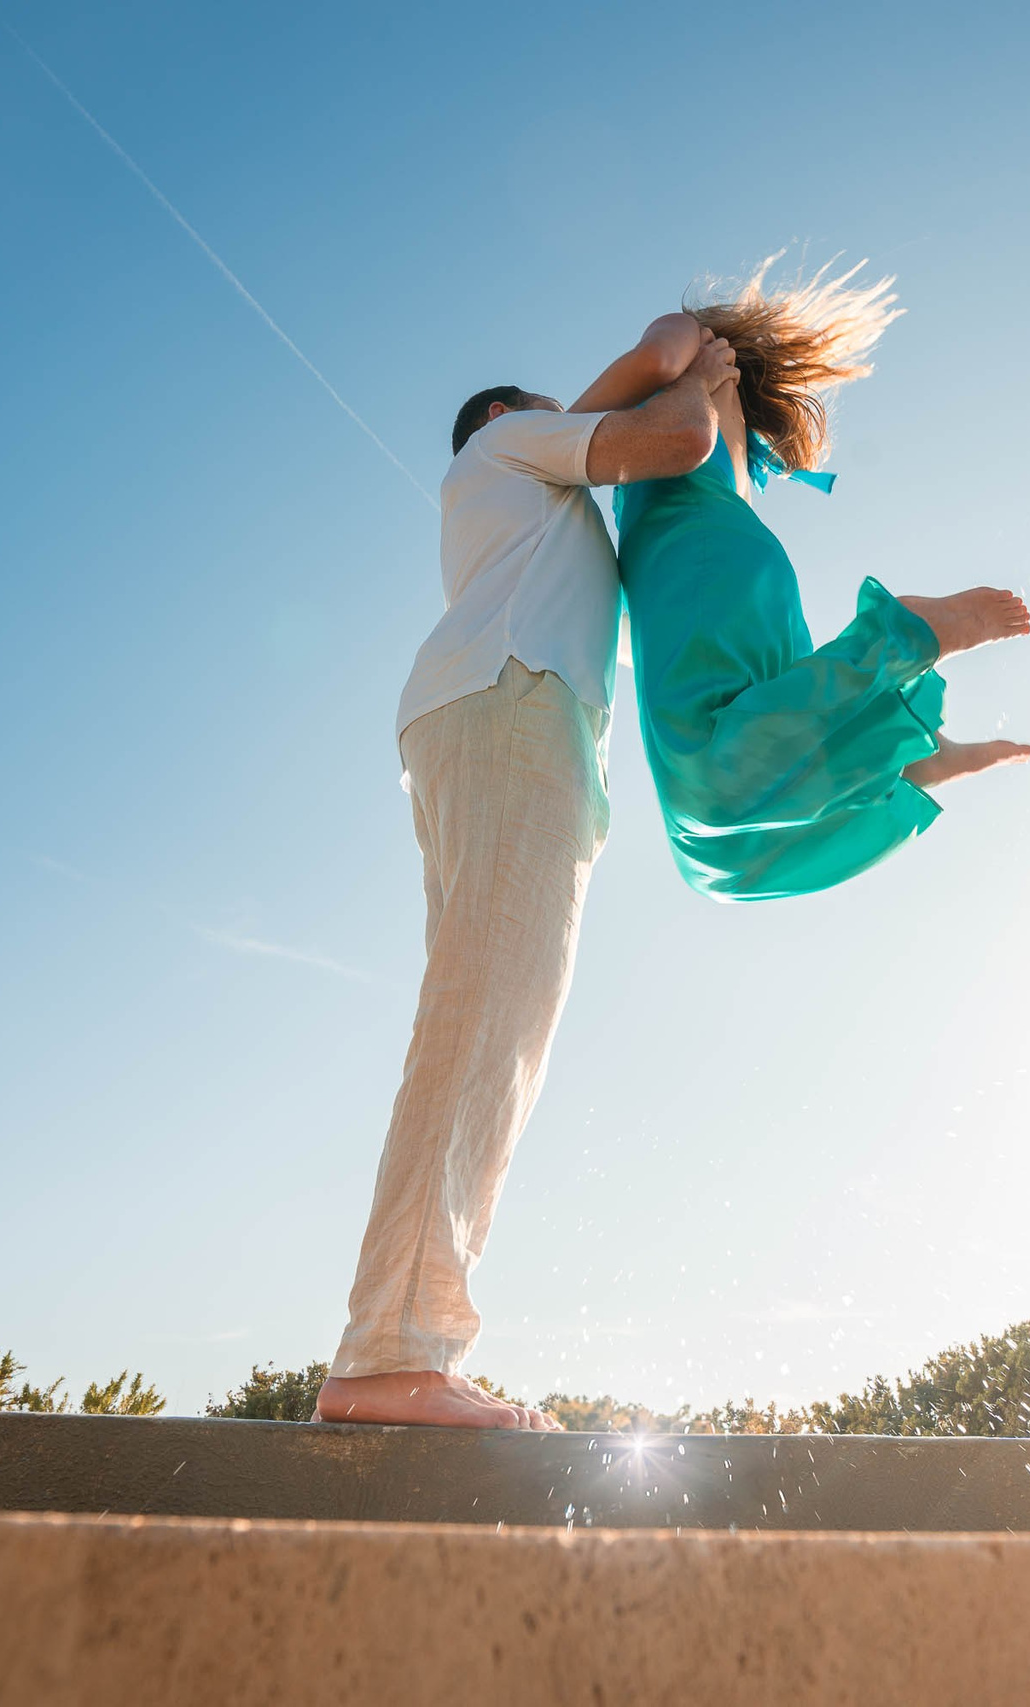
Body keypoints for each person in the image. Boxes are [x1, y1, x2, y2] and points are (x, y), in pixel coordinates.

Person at [314, 323, 741, 1429]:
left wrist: (669, 380)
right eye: (558, 410)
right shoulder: (503, 456)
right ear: (508, 419)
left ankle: (405, 1344)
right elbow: (677, 437)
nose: (576, 422)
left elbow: (649, 435)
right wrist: (688, 363)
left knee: (490, 1028)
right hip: (510, 704)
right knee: (481, 1024)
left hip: (510, 716)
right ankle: (388, 1358)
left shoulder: (536, 498)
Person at [607, 260, 1030, 901]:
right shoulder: (733, 436)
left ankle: (909, 637)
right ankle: (913, 761)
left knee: (717, 809)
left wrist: (527, 442)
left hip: (705, 568)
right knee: (724, 860)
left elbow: (655, 359)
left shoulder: (691, 339)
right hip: (726, 578)